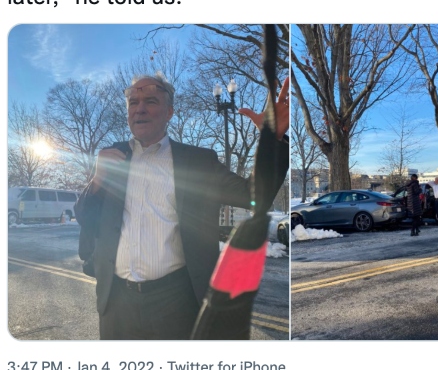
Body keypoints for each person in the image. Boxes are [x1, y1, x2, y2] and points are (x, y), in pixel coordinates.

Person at [75, 73, 290, 340]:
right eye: (133, 102)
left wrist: (273, 141)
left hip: (176, 301)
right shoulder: (113, 157)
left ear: (169, 112)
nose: (140, 108)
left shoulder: (197, 162)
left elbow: (253, 196)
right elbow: (85, 217)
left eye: (151, 101)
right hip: (116, 303)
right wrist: (97, 180)